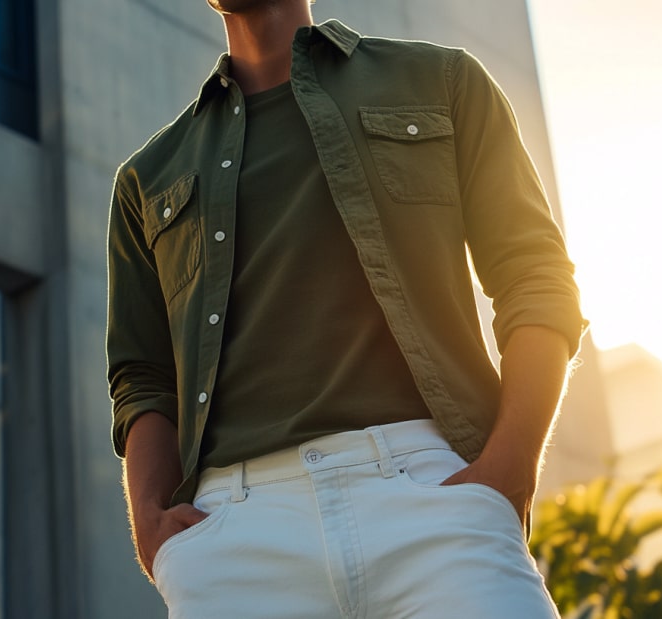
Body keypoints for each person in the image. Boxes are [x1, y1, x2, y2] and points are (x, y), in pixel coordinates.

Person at [106, 1, 585, 616]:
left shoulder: (442, 83)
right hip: (235, 536)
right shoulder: (146, 179)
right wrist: (152, 526)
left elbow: (536, 279)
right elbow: (143, 379)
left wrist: (508, 470)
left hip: (435, 495)